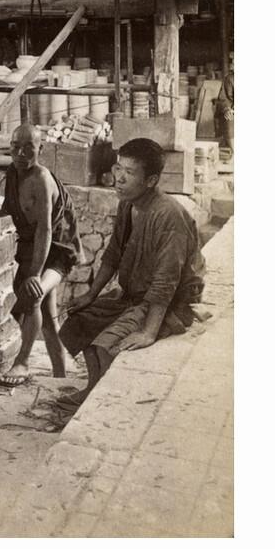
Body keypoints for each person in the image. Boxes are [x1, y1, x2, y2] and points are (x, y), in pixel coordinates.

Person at [57, 137, 206, 409]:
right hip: (132, 297)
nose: (119, 178)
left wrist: (149, 332)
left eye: (130, 172)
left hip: (167, 304)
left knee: (106, 345)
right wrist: (90, 295)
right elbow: (113, 253)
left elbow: (166, 281)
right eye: (119, 168)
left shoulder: (168, 216)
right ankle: (92, 389)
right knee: (80, 321)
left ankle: (104, 404)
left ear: (151, 181)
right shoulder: (128, 204)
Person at [0, 123, 82, 385]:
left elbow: (45, 229)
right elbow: (10, 207)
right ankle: (60, 377)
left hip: (58, 250)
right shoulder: (13, 172)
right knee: (47, 322)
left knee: (34, 294)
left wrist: (35, 273)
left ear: (40, 149)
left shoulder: (42, 179)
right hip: (34, 248)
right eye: (15, 147)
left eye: (29, 148)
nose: (20, 154)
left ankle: (22, 363)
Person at [215, 68, 234, 161]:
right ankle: (235, 152)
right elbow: (224, 98)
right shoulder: (230, 79)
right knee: (228, 118)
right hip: (234, 110)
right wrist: (228, 109)